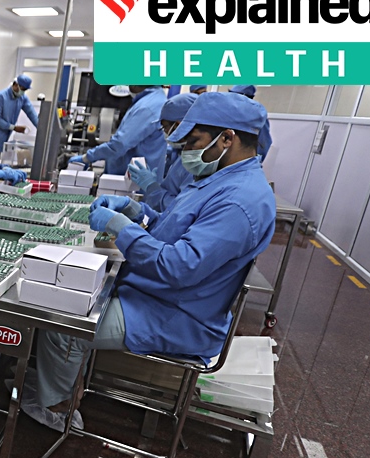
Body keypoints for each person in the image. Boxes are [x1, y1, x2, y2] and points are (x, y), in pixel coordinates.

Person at [23, 92, 276, 430]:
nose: (185, 150)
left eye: (193, 141)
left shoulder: (240, 201)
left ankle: (60, 407)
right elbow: (176, 228)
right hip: (158, 293)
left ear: (227, 138)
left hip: (176, 314)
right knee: (77, 297)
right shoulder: (219, 180)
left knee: (64, 323)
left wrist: (121, 230)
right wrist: (139, 212)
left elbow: (178, 266)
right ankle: (66, 381)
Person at [69, 86, 168, 178]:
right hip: (131, 180)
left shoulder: (147, 106)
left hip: (133, 183)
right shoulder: (152, 99)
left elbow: (119, 144)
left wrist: (87, 157)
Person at [126, 93, 197, 212]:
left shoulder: (195, 163)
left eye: (165, 128)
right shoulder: (181, 154)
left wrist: (152, 188)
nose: (165, 133)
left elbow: (179, 210)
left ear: (178, 125)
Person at [0, 75, 39, 163]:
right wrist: (14, 128)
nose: (23, 92)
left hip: (2, 140)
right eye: (22, 89)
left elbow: (32, 114)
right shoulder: (0, 97)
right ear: (15, 85)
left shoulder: (22, 98)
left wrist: (42, 129)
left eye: (25, 90)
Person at [228, 85, 273, 161]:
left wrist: (254, 162)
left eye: (236, 96)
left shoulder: (258, 117)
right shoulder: (227, 113)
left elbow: (263, 143)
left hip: (244, 162)